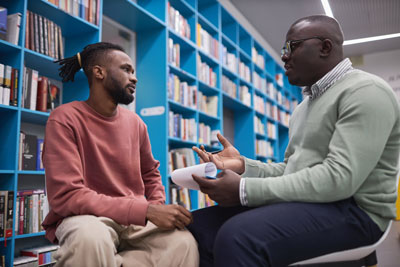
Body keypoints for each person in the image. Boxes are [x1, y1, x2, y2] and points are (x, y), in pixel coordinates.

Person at [188, 15, 400, 267]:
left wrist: (244, 191)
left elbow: (339, 178)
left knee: (238, 237)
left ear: (325, 47)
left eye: (292, 46)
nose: (284, 56)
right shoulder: (303, 108)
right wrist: (243, 166)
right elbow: (291, 169)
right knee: (197, 226)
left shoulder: (366, 92)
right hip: (316, 202)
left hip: (358, 213)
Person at [42, 42, 199, 267]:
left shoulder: (136, 124)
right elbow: (67, 196)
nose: (134, 78)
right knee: (90, 238)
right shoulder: (64, 119)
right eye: (126, 69)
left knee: (183, 242)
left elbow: (151, 174)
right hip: (85, 217)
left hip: (134, 220)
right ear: (99, 72)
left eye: (133, 72)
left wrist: (156, 207)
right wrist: (147, 210)